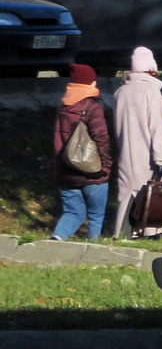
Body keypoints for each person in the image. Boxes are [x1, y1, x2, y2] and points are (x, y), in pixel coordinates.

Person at [112, 46, 162, 238]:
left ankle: (122, 235)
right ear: (152, 68)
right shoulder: (151, 92)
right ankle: (160, 234)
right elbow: (157, 129)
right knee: (159, 196)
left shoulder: (120, 92)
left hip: (126, 154)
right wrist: (161, 159)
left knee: (128, 197)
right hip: (149, 155)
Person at [51, 64, 112, 241]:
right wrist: (106, 167)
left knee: (72, 212)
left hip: (66, 171)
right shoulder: (92, 107)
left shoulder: (63, 106)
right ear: (90, 83)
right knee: (96, 216)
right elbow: (101, 139)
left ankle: (56, 240)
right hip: (92, 171)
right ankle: (93, 249)